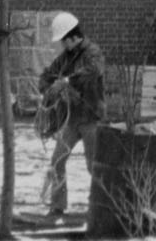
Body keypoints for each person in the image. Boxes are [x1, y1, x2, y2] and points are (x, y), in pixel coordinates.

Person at [36, 11, 107, 221]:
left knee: (94, 164)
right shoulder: (65, 58)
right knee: (57, 160)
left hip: (92, 117)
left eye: (63, 41)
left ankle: (101, 206)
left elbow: (93, 71)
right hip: (72, 119)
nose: (62, 46)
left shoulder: (93, 53)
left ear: (73, 37)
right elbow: (47, 75)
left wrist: (67, 81)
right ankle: (57, 207)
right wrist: (47, 87)